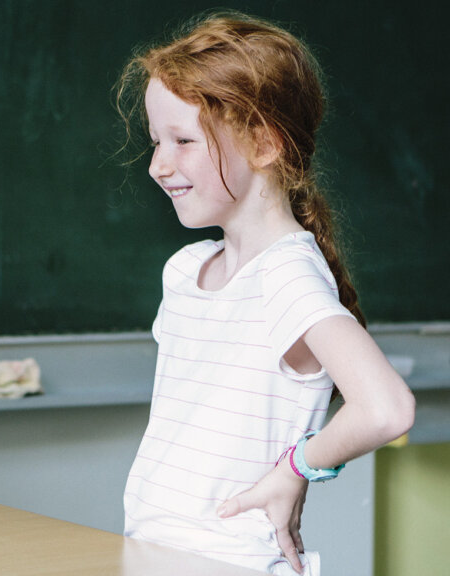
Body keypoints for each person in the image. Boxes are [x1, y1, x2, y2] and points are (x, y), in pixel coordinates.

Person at [114, 12, 414, 575]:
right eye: (157, 141)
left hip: (230, 563)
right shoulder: (186, 272)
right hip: (152, 552)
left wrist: (297, 468)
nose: (158, 165)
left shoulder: (285, 276)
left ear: (264, 144)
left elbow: (386, 408)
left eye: (183, 141)